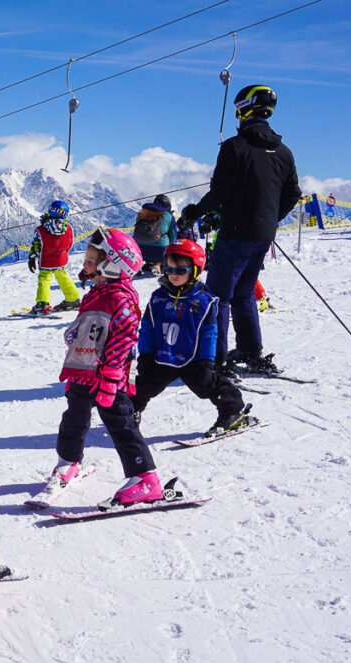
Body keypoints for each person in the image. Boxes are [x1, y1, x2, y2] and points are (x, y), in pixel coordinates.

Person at [179, 84, 301, 374]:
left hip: (235, 233)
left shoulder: (234, 148)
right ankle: (250, 349)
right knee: (244, 293)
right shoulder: (284, 152)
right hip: (263, 235)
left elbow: (219, 192)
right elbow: (293, 193)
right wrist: (272, 219)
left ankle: (215, 358)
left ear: (245, 109)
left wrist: (194, 213)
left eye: (237, 111)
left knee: (218, 296)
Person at [40, 227, 161, 508]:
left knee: (121, 423)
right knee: (73, 418)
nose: (85, 266)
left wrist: (110, 377)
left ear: (111, 265)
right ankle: (69, 462)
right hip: (83, 370)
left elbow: (122, 340)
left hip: (107, 377)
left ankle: (145, 478)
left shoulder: (120, 298)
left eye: (91, 262)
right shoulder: (97, 292)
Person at [132, 239, 250, 437]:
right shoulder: (158, 297)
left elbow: (209, 333)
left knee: (206, 385)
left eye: (180, 270)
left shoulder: (203, 301)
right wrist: (145, 354)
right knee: (145, 385)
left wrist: (207, 360)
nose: (173, 275)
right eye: (168, 269)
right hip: (163, 355)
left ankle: (232, 411)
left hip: (193, 358)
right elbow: (147, 328)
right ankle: (129, 411)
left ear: (194, 270)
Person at [27, 200, 81, 315]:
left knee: (44, 280)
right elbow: (70, 243)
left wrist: (32, 257)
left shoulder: (42, 229)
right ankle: (73, 299)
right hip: (62, 259)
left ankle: (43, 304)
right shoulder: (68, 228)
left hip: (47, 260)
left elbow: (37, 245)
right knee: (63, 277)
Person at [132, 194, 178, 274]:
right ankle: (157, 265)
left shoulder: (142, 212)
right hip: (159, 250)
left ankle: (138, 265)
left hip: (139, 249)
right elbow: (173, 235)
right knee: (163, 240)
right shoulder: (168, 215)